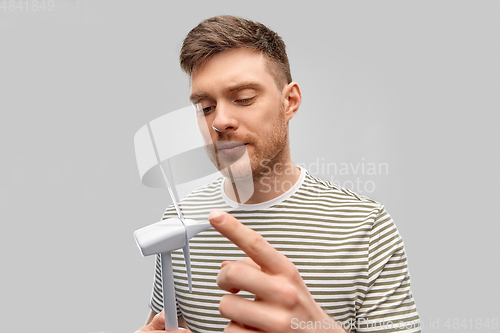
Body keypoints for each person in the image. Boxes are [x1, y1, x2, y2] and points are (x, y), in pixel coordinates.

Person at [136, 15, 420, 333]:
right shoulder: (177, 221)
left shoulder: (367, 228)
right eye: (205, 107)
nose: (220, 121)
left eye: (243, 98)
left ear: (290, 102)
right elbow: (163, 325)